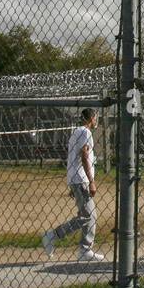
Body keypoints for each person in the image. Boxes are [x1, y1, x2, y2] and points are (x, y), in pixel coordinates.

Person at [41, 108, 106, 262]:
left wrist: (73, 184)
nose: (97, 120)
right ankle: (54, 236)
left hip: (76, 179)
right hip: (81, 179)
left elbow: (73, 157)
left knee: (85, 216)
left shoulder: (76, 132)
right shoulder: (85, 132)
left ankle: (83, 248)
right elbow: (84, 155)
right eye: (96, 117)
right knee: (89, 216)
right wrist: (91, 181)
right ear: (91, 118)